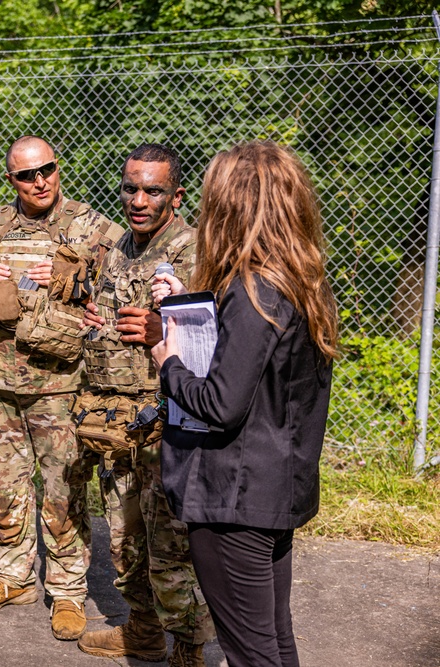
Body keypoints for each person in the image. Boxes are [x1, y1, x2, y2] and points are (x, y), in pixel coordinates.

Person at [150, 141, 338, 667]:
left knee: (251, 653)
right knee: (274, 644)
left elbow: (222, 403)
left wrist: (168, 361)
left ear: (231, 205)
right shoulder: (302, 282)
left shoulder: (253, 290)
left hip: (235, 498)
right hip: (276, 489)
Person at [0, 135, 126, 640]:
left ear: (56, 166)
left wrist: (79, 276)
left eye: (45, 169)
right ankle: (13, 577)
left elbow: (126, 280)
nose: (39, 181)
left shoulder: (90, 228)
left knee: (63, 489)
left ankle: (68, 591)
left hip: (61, 384)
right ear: (12, 180)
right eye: (26, 175)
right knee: (4, 486)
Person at [76, 144, 214, 666]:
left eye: (152, 190)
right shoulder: (119, 250)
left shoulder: (194, 251)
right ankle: (142, 631)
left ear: (175, 197)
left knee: (170, 550)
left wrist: (166, 328)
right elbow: (112, 318)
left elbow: (219, 339)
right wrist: (98, 324)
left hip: (169, 426)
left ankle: (189, 647)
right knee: (126, 541)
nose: (139, 199)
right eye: (131, 187)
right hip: (119, 424)